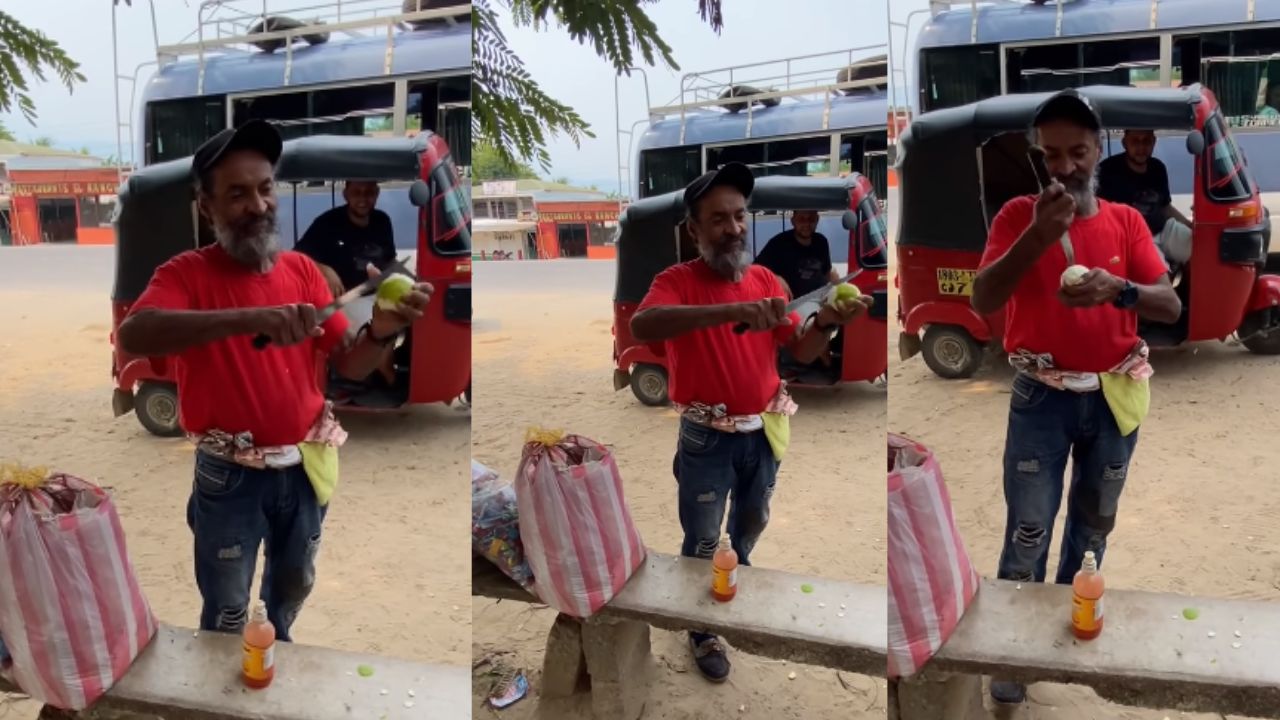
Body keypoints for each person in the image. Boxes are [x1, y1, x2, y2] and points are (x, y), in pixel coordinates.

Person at [116, 119, 433, 641]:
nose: (258, 205)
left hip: (304, 468)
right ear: (206, 207)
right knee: (226, 606)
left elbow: (350, 364)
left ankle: (276, 651)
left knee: (292, 588)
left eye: (265, 189)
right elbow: (135, 334)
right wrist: (250, 318)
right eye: (237, 194)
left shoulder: (303, 272)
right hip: (229, 477)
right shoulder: (184, 274)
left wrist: (382, 330)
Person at [971, 90, 1182, 705]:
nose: (1064, 167)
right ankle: (1014, 649)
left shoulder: (1125, 221)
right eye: (1051, 155)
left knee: (1092, 527)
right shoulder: (1018, 216)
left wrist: (1121, 289)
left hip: (1113, 397)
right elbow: (983, 299)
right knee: (1029, 528)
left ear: (1099, 149)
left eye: (1078, 152)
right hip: (1041, 397)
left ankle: (1068, 627)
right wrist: (1037, 237)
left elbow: (1170, 304)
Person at [630, 162, 874, 684]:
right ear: (694, 230)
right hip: (705, 439)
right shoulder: (676, 281)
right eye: (718, 219)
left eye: (739, 216)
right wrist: (729, 312)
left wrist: (828, 322)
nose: (733, 228)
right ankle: (701, 627)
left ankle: (730, 580)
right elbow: (643, 324)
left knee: (752, 522)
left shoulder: (765, 281)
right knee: (701, 538)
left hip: (762, 432)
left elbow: (801, 349)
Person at [1096, 129, 1192, 268]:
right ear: (1124, 143)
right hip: (1133, 240)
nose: (1141, 147)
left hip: (1163, 229)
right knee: (1159, 271)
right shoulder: (1107, 170)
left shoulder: (1158, 168)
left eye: (1146, 141)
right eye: (1135, 141)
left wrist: (1191, 226)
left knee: (1202, 247)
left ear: (1154, 142)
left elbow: (1166, 207)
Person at [295, 180, 397, 299]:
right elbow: (296, 257)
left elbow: (390, 259)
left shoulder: (382, 221)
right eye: (356, 193)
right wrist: (325, 271)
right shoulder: (327, 223)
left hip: (376, 296)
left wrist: (390, 276)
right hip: (338, 300)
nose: (363, 198)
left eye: (369, 193)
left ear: (377, 193)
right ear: (345, 194)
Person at [753, 209, 840, 300]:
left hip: (820, 300)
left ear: (817, 220)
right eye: (801, 219)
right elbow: (754, 271)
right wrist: (775, 278)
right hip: (791, 303)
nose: (806, 224)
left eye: (811, 219)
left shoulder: (821, 241)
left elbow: (827, 272)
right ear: (793, 221)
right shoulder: (778, 243)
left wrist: (833, 279)